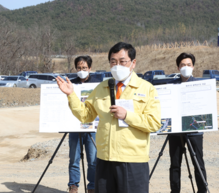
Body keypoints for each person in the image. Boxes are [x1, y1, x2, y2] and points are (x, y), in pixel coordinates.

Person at [56, 42, 161, 193]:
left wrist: (127, 116)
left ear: (133, 63)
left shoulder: (147, 88)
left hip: (133, 160)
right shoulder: (102, 87)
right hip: (105, 160)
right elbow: (86, 116)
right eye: (113, 62)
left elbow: (154, 123)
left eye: (122, 61)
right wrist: (71, 95)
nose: (117, 65)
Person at [169, 53, 207, 193]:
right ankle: (175, 190)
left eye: (188, 65)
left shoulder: (200, 86)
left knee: (198, 163)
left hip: (195, 131)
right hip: (175, 132)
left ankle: (202, 190)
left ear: (193, 67)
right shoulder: (171, 86)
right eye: (183, 65)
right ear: (178, 67)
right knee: (174, 164)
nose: (186, 67)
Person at [68, 56, 99, 193]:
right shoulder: (70, 84)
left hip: (92, 128)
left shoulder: (97, 84)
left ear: (90, 68)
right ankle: (73, 185)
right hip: (74, 127)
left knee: (93, 160)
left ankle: (92, 186)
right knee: (74, 159)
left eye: (84, 68)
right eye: (79, 68)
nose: (82, 70)